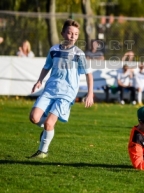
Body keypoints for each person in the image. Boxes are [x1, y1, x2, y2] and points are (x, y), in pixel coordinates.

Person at [28, 19, 94, 158]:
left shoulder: (79, 54)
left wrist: (90, 94)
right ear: (63, 33)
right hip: (50, 89)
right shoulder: (54, 50)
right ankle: (47, 128)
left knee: (49, 123)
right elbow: (47, 66)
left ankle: (43, 151)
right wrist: (39, 81)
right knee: (33, 118)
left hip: (67, 93)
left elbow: (89, 74)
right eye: (69, 33)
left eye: (76, 34)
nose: (72, 36)